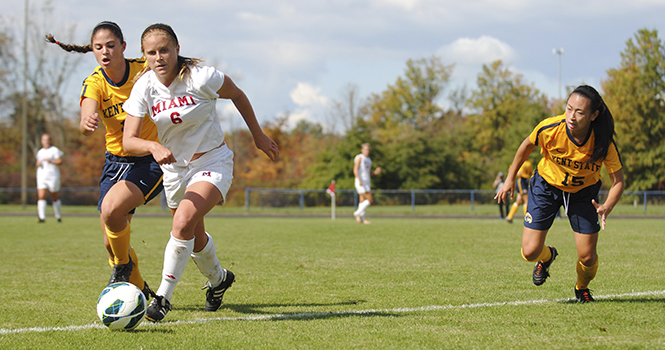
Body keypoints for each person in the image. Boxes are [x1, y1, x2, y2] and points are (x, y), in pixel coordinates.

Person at [122, 23, 279, 322]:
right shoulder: (144, 86)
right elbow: (129, 140)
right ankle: (219, 279)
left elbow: (238, 95)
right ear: (144, 57)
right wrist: (153, 147)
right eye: (151, 53)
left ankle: (163, 298)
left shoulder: (201, 77)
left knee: (181, 224)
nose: (159, 57)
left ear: (177, 49)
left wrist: (258, 135)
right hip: (175, 170)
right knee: (193, 235)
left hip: (212, 163)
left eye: (164, 50)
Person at [47, 21, 163, 298]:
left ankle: (123, 269)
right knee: (111, 243)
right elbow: (88, 104)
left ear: (123, 47)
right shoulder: (95, 81)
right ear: (93, 51)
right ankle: (140, 290)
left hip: (149, 158)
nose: (105, 51)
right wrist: (86, 118)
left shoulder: (143, 70)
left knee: (111, 212)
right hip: (115, 163)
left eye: (111, 45)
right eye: (98, 47)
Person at [495, 85, 624, 303]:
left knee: (588, 256)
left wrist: (607, 206)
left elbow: (618, 181)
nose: (572, 116)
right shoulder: (550, 127)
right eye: (569, 108)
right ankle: (548, 256)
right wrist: (509, 179)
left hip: (583, 195)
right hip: (545, 188)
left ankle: (581, 288)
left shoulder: (602, 142)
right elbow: (525, 146)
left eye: (580, 112)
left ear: (593, 115)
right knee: (529, 251)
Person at [35, 133, 64, 223]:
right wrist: (38, 164)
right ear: (41, 141)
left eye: (47, 139)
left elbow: (60, 161)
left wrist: (51, 161)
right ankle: (42, 217)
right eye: (44, 139)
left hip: (53, 176)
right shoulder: (40, 152)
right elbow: (37, 163)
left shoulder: (54, 150)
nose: (46, 142)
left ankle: (58, 216)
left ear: (50, 141)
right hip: (42, 176)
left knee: (54, 196)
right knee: (41, 196)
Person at [352, 143, 381, 224]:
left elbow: (368, 173)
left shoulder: (369, 160)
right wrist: (359, 179)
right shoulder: (360, 157)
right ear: (362, 150)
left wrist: (375, 173)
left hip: (367, 182)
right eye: (365, 149)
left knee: (362, 201)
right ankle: (357, 213)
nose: (367, 151)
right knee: (370, 200)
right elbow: (355, 169)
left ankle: (362, 219)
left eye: (368, 150)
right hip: (361, 182)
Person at [505, 159, 533, 223]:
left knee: (519, 200)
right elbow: (511, 168)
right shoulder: (520, 159)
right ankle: (527, 218)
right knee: (526, 200)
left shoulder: (529, 162)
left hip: (526, 180)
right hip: (521, 180)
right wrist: (517, 173)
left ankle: (509, 217)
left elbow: (530, 171)